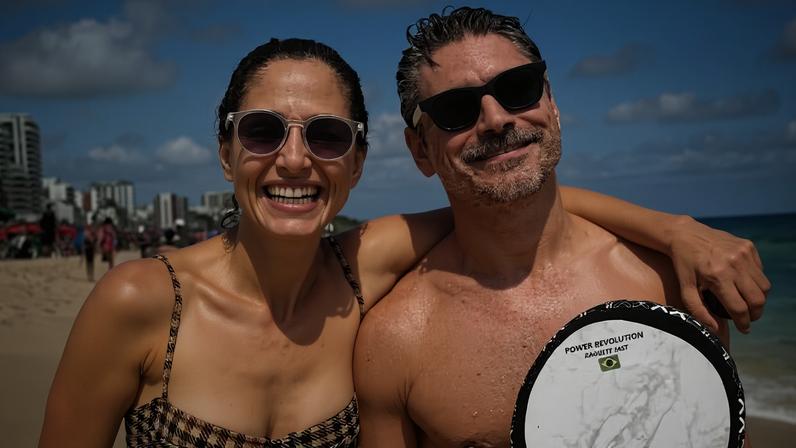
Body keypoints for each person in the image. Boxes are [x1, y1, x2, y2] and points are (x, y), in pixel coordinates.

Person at [40, 37, 764, 447]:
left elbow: (506, 191)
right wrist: (673, 227)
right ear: (226, 152)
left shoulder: (359, 272)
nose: (294, 160)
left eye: (327, 136)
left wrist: (676, 230)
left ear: (356, 162)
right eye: (262, 131)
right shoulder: (142, 302)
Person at [353, 7, 770, 447]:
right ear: (420, 149)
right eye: (456, 109)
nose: (496, 120)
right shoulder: (397, 340)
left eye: (518, 88)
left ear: (551, 105)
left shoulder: (671, 283)